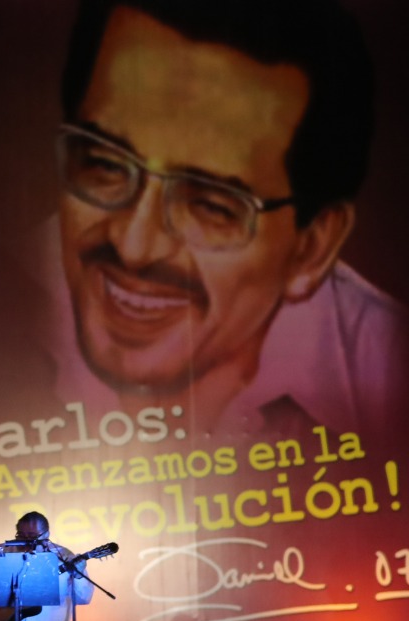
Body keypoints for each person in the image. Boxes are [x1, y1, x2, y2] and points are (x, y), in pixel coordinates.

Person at [40, 0, 408, 444]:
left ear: (311, 248)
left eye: (212, 206)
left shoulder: (391, 371)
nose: (133, 246)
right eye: (105, 165)